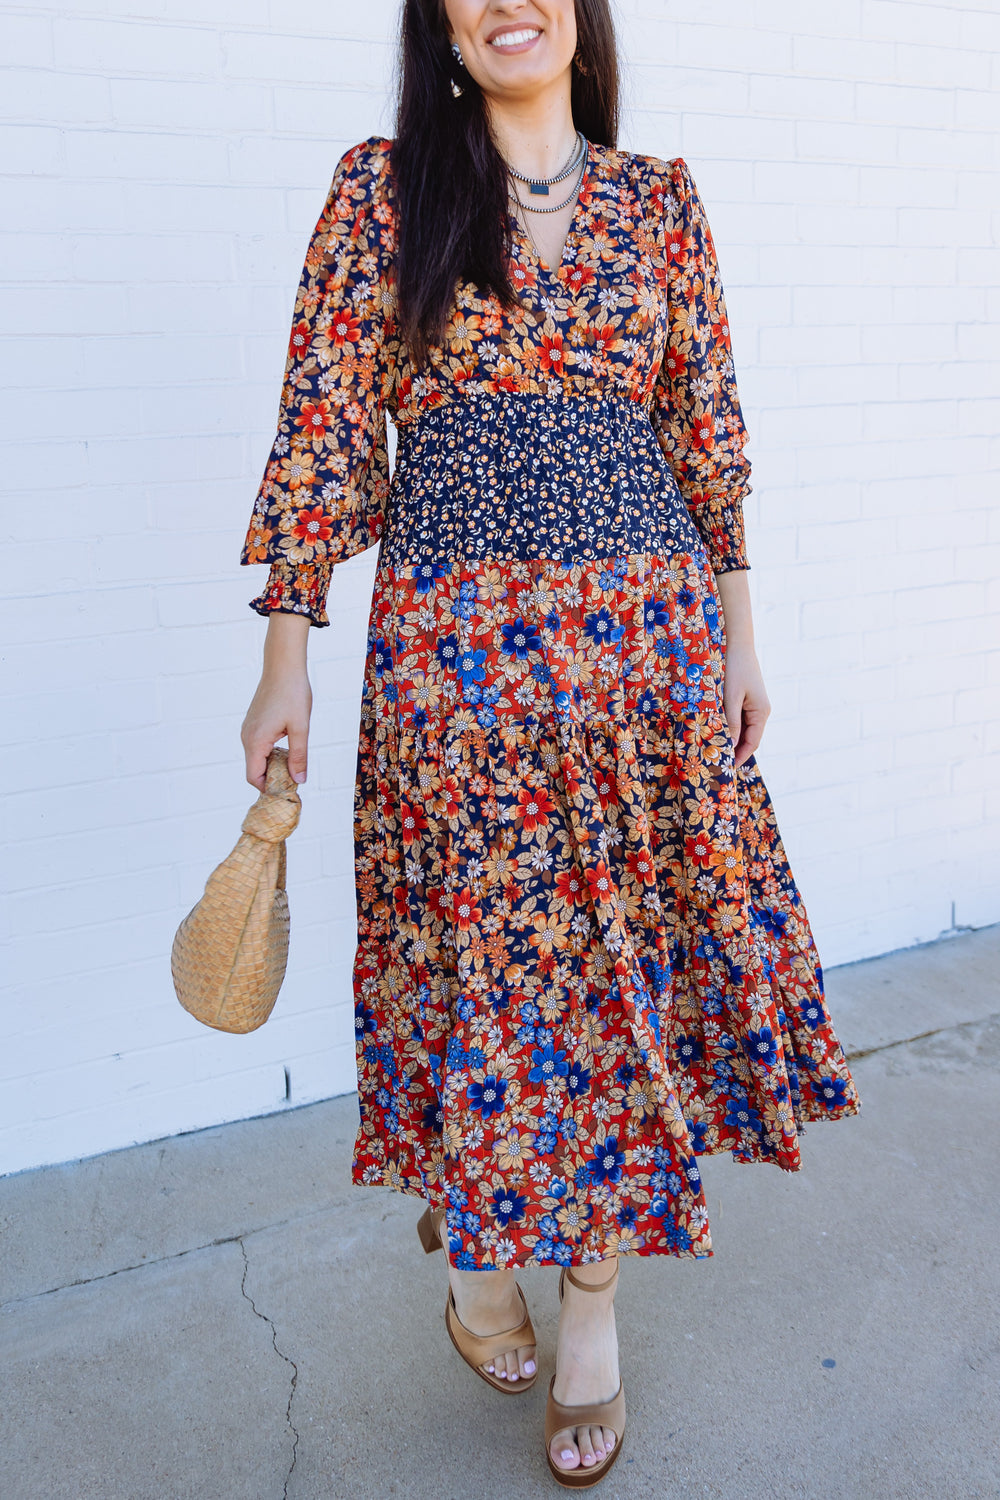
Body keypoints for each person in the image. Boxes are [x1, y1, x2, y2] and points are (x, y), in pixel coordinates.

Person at [240, 0, 861, 1485]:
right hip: (459, 675)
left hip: (646, 653)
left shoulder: (661, 203)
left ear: (581, 21)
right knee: (486, 962)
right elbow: (323, 435)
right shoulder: (381, 192)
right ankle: (477, 1251)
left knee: (617, 981)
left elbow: (702, 422)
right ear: (444, 30)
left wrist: (741, 631)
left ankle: (591, 1306)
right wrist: (285, 659)